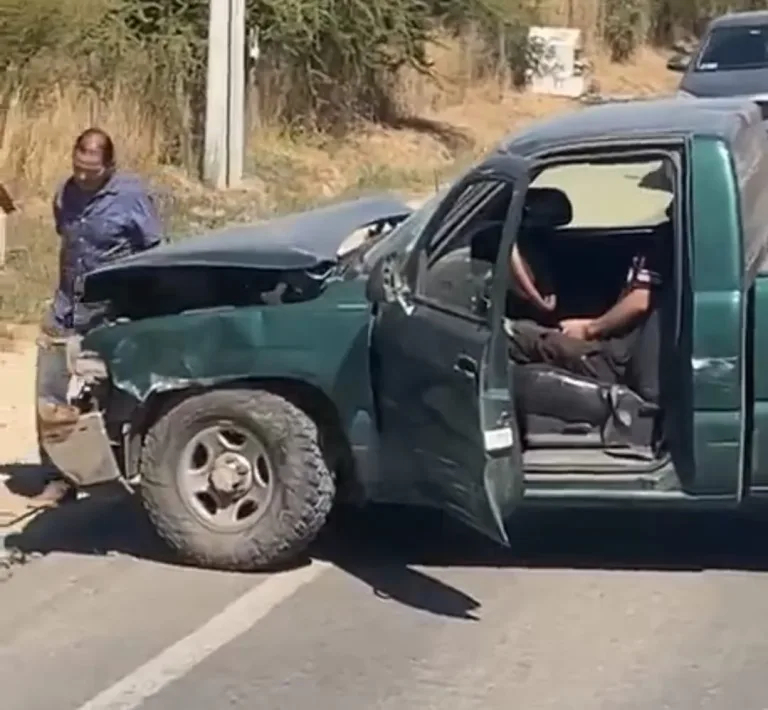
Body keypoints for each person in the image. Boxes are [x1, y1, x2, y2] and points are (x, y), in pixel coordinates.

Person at [35, 127, 163, 502]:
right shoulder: (66, 192)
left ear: (109, 166)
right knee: (51, 389)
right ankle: (58, 477)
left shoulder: (132, 196)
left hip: (113, 310)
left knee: (112, 395)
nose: (84, 176)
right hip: (67, 306)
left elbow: (154, 249)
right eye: (78, 167)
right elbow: (66, 235)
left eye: (92, 170)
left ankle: (117, 468)